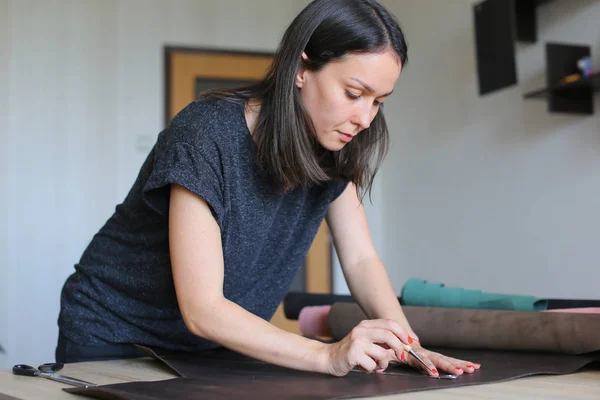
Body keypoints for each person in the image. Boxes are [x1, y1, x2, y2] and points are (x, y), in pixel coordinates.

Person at [56, 0, 480, 378]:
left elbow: (360, 257)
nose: (365, 118)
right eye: (354, 93)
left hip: (220, 343)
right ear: (300, 69)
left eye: (378, 101)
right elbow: (202, 309)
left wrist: (409, 345)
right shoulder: (206, 136)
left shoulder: (337, 143)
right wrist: (327, 355)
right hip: (117, 330)